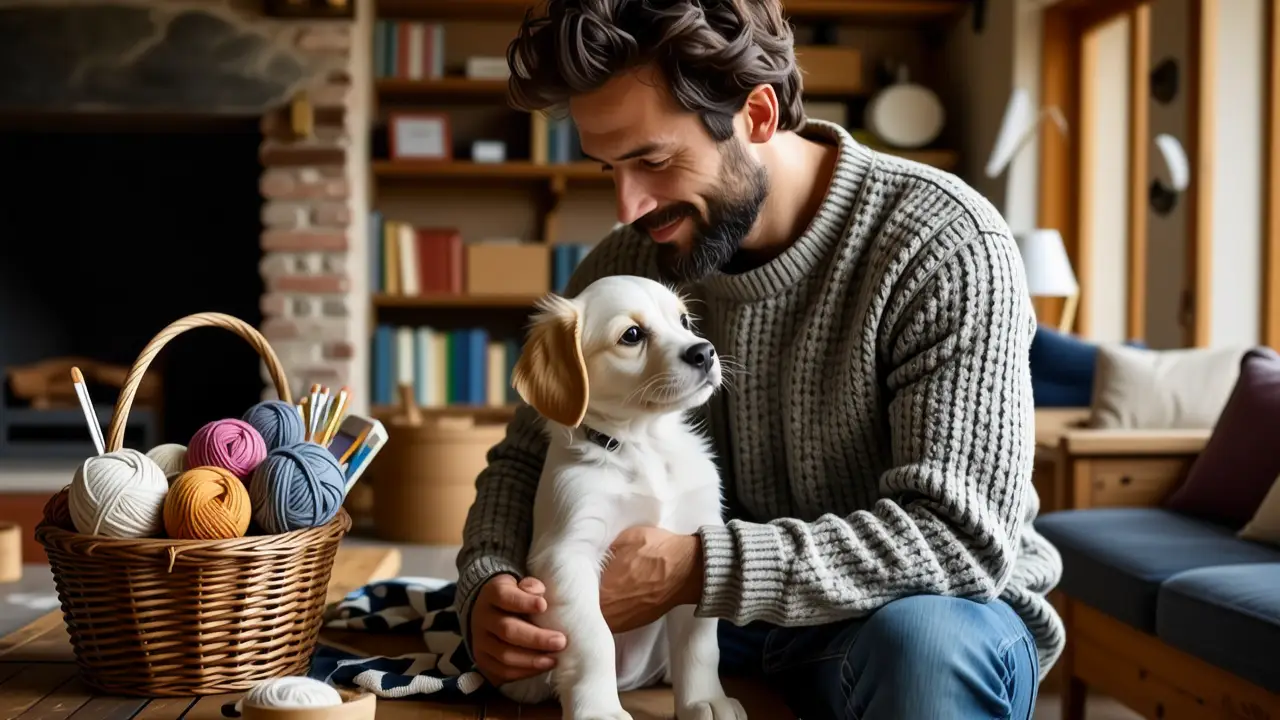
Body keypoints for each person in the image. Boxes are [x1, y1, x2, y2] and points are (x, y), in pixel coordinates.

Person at [455, 1, 1064, 717]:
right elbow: (530, 456)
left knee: (925, 648)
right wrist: (487, 587)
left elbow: (959, 539)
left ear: (759, 115)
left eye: (652, 159)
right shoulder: (628, 264)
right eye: (608, 168)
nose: (628, 204)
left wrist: (701, 569)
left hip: (910, 616)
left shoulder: (943, 244)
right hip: (722, 628)